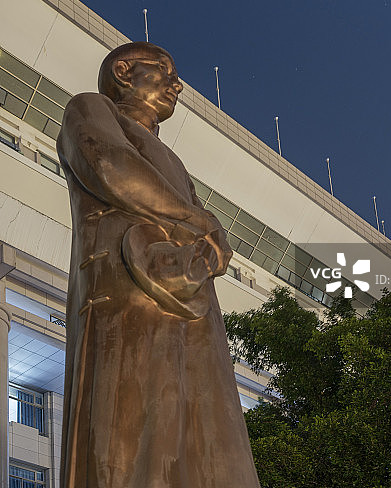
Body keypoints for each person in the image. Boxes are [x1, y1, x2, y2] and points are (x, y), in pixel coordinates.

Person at [57, 42, 261, 488]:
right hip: (130, 287)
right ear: (125, 71)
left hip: (191, 299)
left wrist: (204, 245)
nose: (177, 84)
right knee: (135, 441)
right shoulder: (90, 107)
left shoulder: (176, 163)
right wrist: (197, 220)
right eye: (163, 70)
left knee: (207, 439)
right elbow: (108, 164)